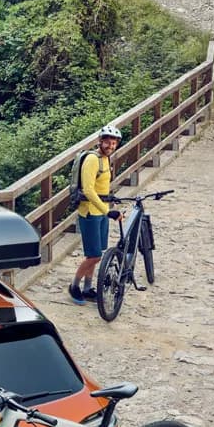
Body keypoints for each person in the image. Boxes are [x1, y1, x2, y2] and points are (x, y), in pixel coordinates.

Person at [69, 124, 122, 305]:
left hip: (101, 211)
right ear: (100, 141)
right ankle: (74, 286)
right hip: (90, 212)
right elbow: (89, 190)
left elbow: (102, 187)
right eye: (107, 142)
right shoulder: (93, 159)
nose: (110, 146)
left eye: (114, 143)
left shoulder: (106, 159)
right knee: (94, 255)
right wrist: (108, 211)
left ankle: (87, 288)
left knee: (96, 253)